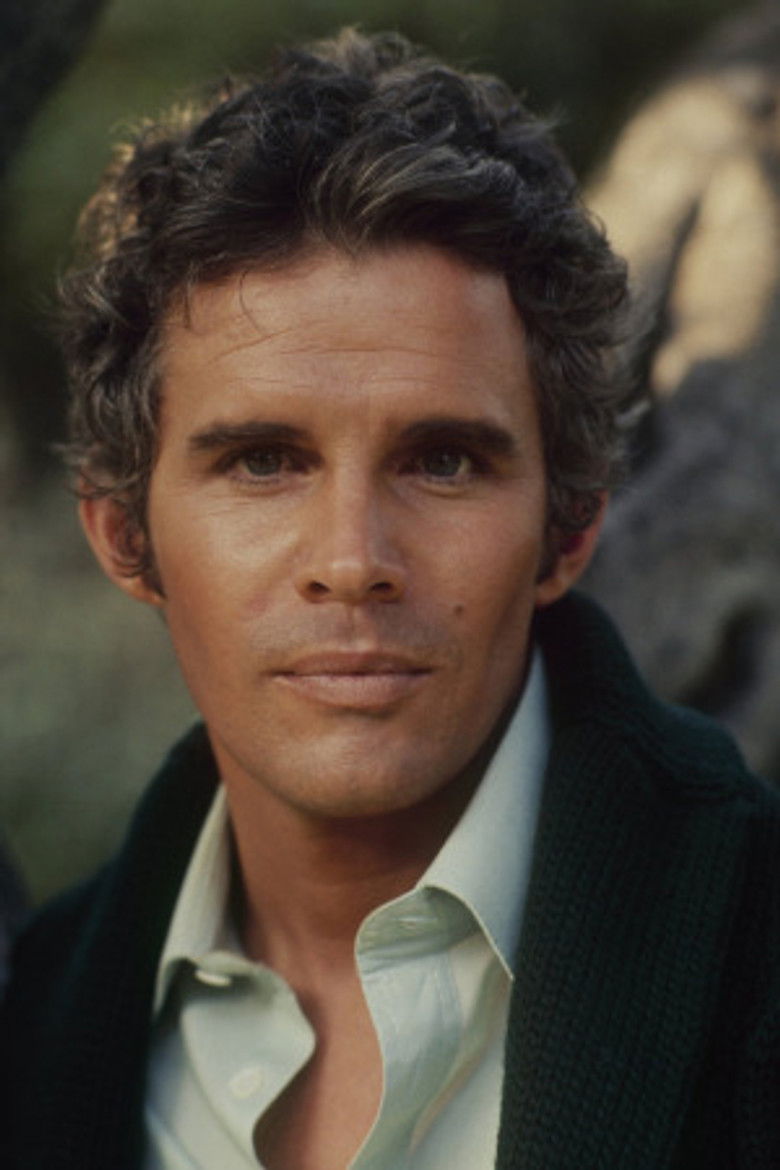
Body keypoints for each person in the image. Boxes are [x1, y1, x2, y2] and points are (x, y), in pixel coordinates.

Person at [2, 27, 779, 1170]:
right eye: (264, 462)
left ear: (569, 530)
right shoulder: (34, 1031)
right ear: (125, 536)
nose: (353, 558)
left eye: (443, 461)